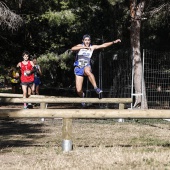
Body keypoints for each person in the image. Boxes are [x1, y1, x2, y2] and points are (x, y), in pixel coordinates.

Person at [71, 34, 121, 99]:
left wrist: (114, 42)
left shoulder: (92, 47)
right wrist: (83, 47)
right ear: (83, 41)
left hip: (86, 65)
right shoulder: (80, 46)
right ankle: (82, 96)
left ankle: (96, 88)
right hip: (78, 67)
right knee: (78, 90)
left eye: (88, 40)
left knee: (87, 71)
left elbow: (103, 45)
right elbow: (72, 48)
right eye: (85, 40)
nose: (87, 41)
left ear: (90, 41)